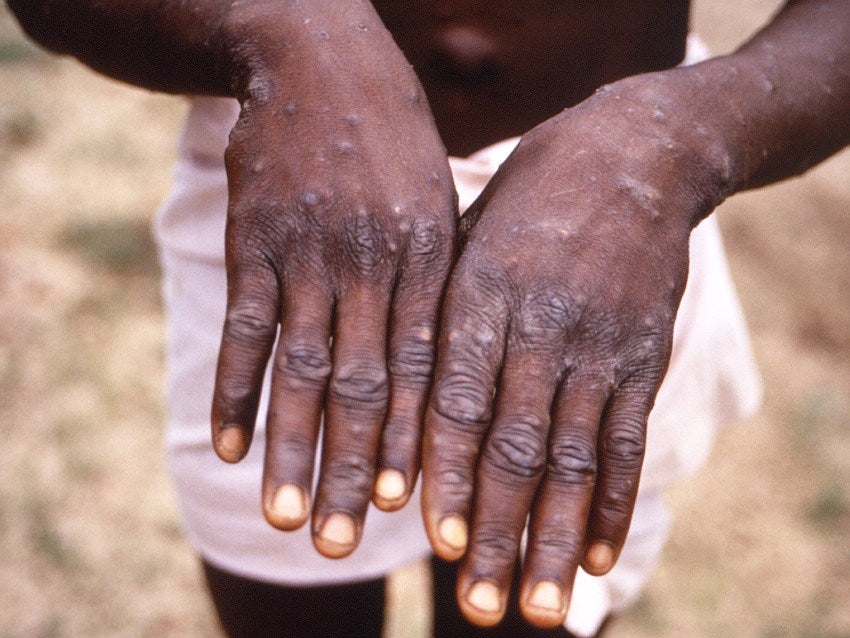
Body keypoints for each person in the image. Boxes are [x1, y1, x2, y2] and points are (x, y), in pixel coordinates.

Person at [8, 1, 848, 636]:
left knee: (530, 602)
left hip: (611, 226)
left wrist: (679, 140)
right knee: (285, 588)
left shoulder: (652, 168)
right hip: (301, 185)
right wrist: (278, 28)